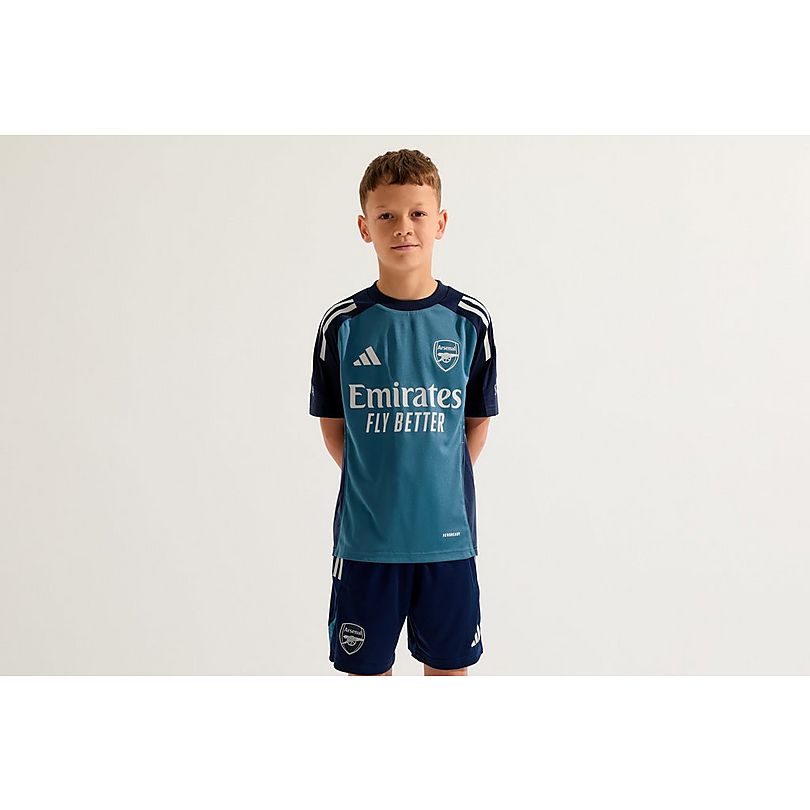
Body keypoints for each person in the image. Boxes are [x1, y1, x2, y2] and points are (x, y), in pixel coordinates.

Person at [309, 148, 499, 676]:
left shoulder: (469, 321)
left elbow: (476, 421)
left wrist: (436, 478)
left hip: (447, 542)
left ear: (440, 222)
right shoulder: (343, 325)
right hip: (367, 544)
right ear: (364, 227)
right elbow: (334, 426)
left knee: (448, 671)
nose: (403, 227)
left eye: (417, 213)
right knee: (365, 675)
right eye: (387, 215)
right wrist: (380, 480)